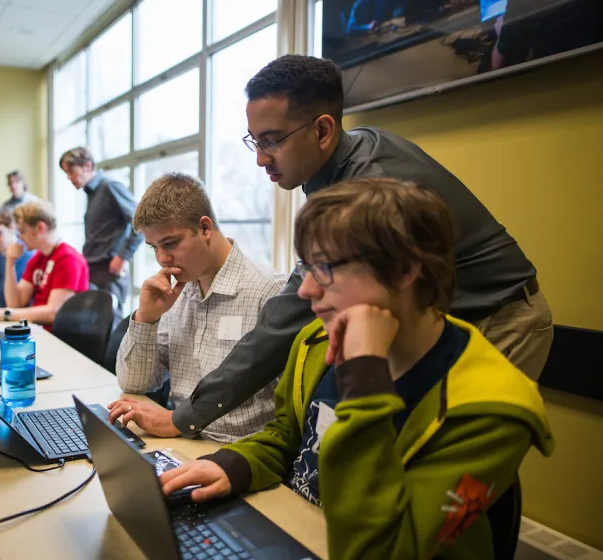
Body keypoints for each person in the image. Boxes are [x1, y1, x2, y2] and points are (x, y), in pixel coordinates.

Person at [131, 54, 552, 439]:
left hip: (499, 316)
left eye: (272, 141)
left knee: (449, 462)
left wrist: (186, 417)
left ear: (323, 130)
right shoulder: (338, 165)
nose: (260, 158)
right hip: (447, 319)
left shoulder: (368, 185)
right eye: (254, 141)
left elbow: (288, 316)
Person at [159, 178, 554, 559]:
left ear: (403, 270)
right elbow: (289, 437)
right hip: (304, 530)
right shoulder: (316, 340)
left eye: (325, 268)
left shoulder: (493, 409)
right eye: (306, 267)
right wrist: (235, 465)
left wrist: (365, 376)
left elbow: (383, 550)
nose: (306, 290)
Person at [107, 173, 287, 444]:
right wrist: (146, 318)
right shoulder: (175, 292)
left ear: (205, 228)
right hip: (180, 440)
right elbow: (135, 384)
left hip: (238, 449)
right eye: (154, 247)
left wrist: (173, 421)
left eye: (170, 243)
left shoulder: (270, 290)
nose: (162, 258)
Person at [0, 201, 89, 328]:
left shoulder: (68, 259)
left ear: (40, 228)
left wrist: (3, 313)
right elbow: (15, 304)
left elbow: (53, 312)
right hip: (38, 330)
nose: (20, 237)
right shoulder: (38, 259)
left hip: (56, 335)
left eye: (22, 231)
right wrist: (10, 263)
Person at [59, 147, 142, 324]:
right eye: (66, 173)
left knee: (109, 327)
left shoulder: (110, 187)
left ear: (88, 166)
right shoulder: (92, 193)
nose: (68, 177)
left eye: (71, 171)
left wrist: (123, 256)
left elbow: (141, 221)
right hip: (93, 268)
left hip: (109, 271)